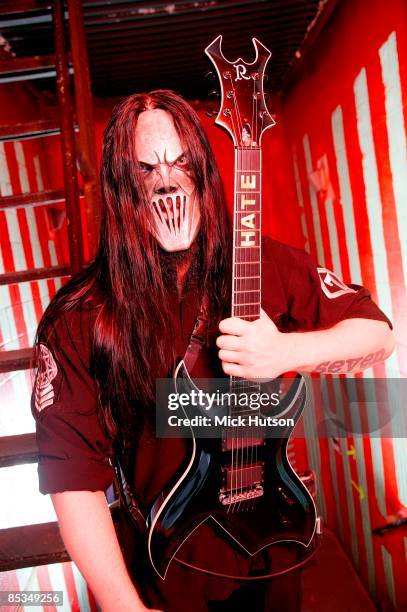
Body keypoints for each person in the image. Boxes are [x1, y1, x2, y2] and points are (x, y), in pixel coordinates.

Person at [32, 90, 395, 612]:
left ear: (205, 172)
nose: (167, 183)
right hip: (169, 566)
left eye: (182, 164)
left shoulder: (265, 264)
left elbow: (377, 334)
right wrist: (122, 604)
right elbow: (74, 479)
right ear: (118, 187)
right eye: (145, 172)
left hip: (276, 552)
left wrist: (286, 352)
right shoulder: (79, 319)